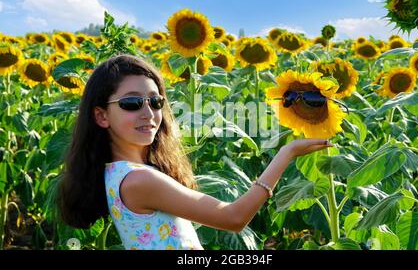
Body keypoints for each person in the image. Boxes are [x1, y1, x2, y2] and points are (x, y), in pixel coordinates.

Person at [57, 54, 333, 250]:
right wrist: (285, 154)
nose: (149, 113)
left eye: (155, 102)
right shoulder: (140, 181)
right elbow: (233, 218)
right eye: (132, 103)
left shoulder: (116, 173)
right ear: (101, 116)